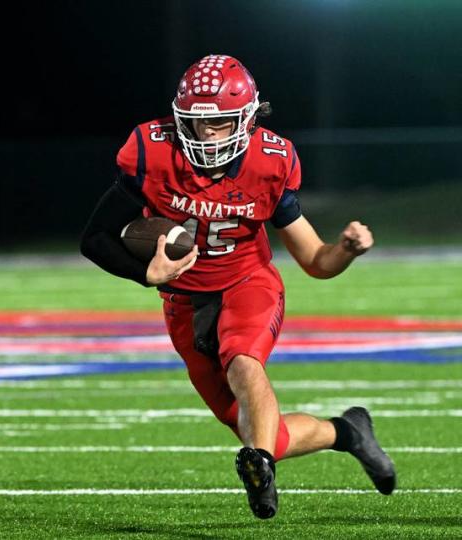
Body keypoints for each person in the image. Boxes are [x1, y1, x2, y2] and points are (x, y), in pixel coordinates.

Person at [80, 54, 396, 519]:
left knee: (243, 362)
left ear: (246, 118)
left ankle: (260, 469)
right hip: (184, 302)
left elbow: (314, 260)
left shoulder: (270, 162)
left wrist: (346, 248)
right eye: (196, 124)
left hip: (247, 282)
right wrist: (142, 273)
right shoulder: (152, 152)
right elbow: (95, 238)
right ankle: (347, 432)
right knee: (264, 431)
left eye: (221, 124)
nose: (206, 137)